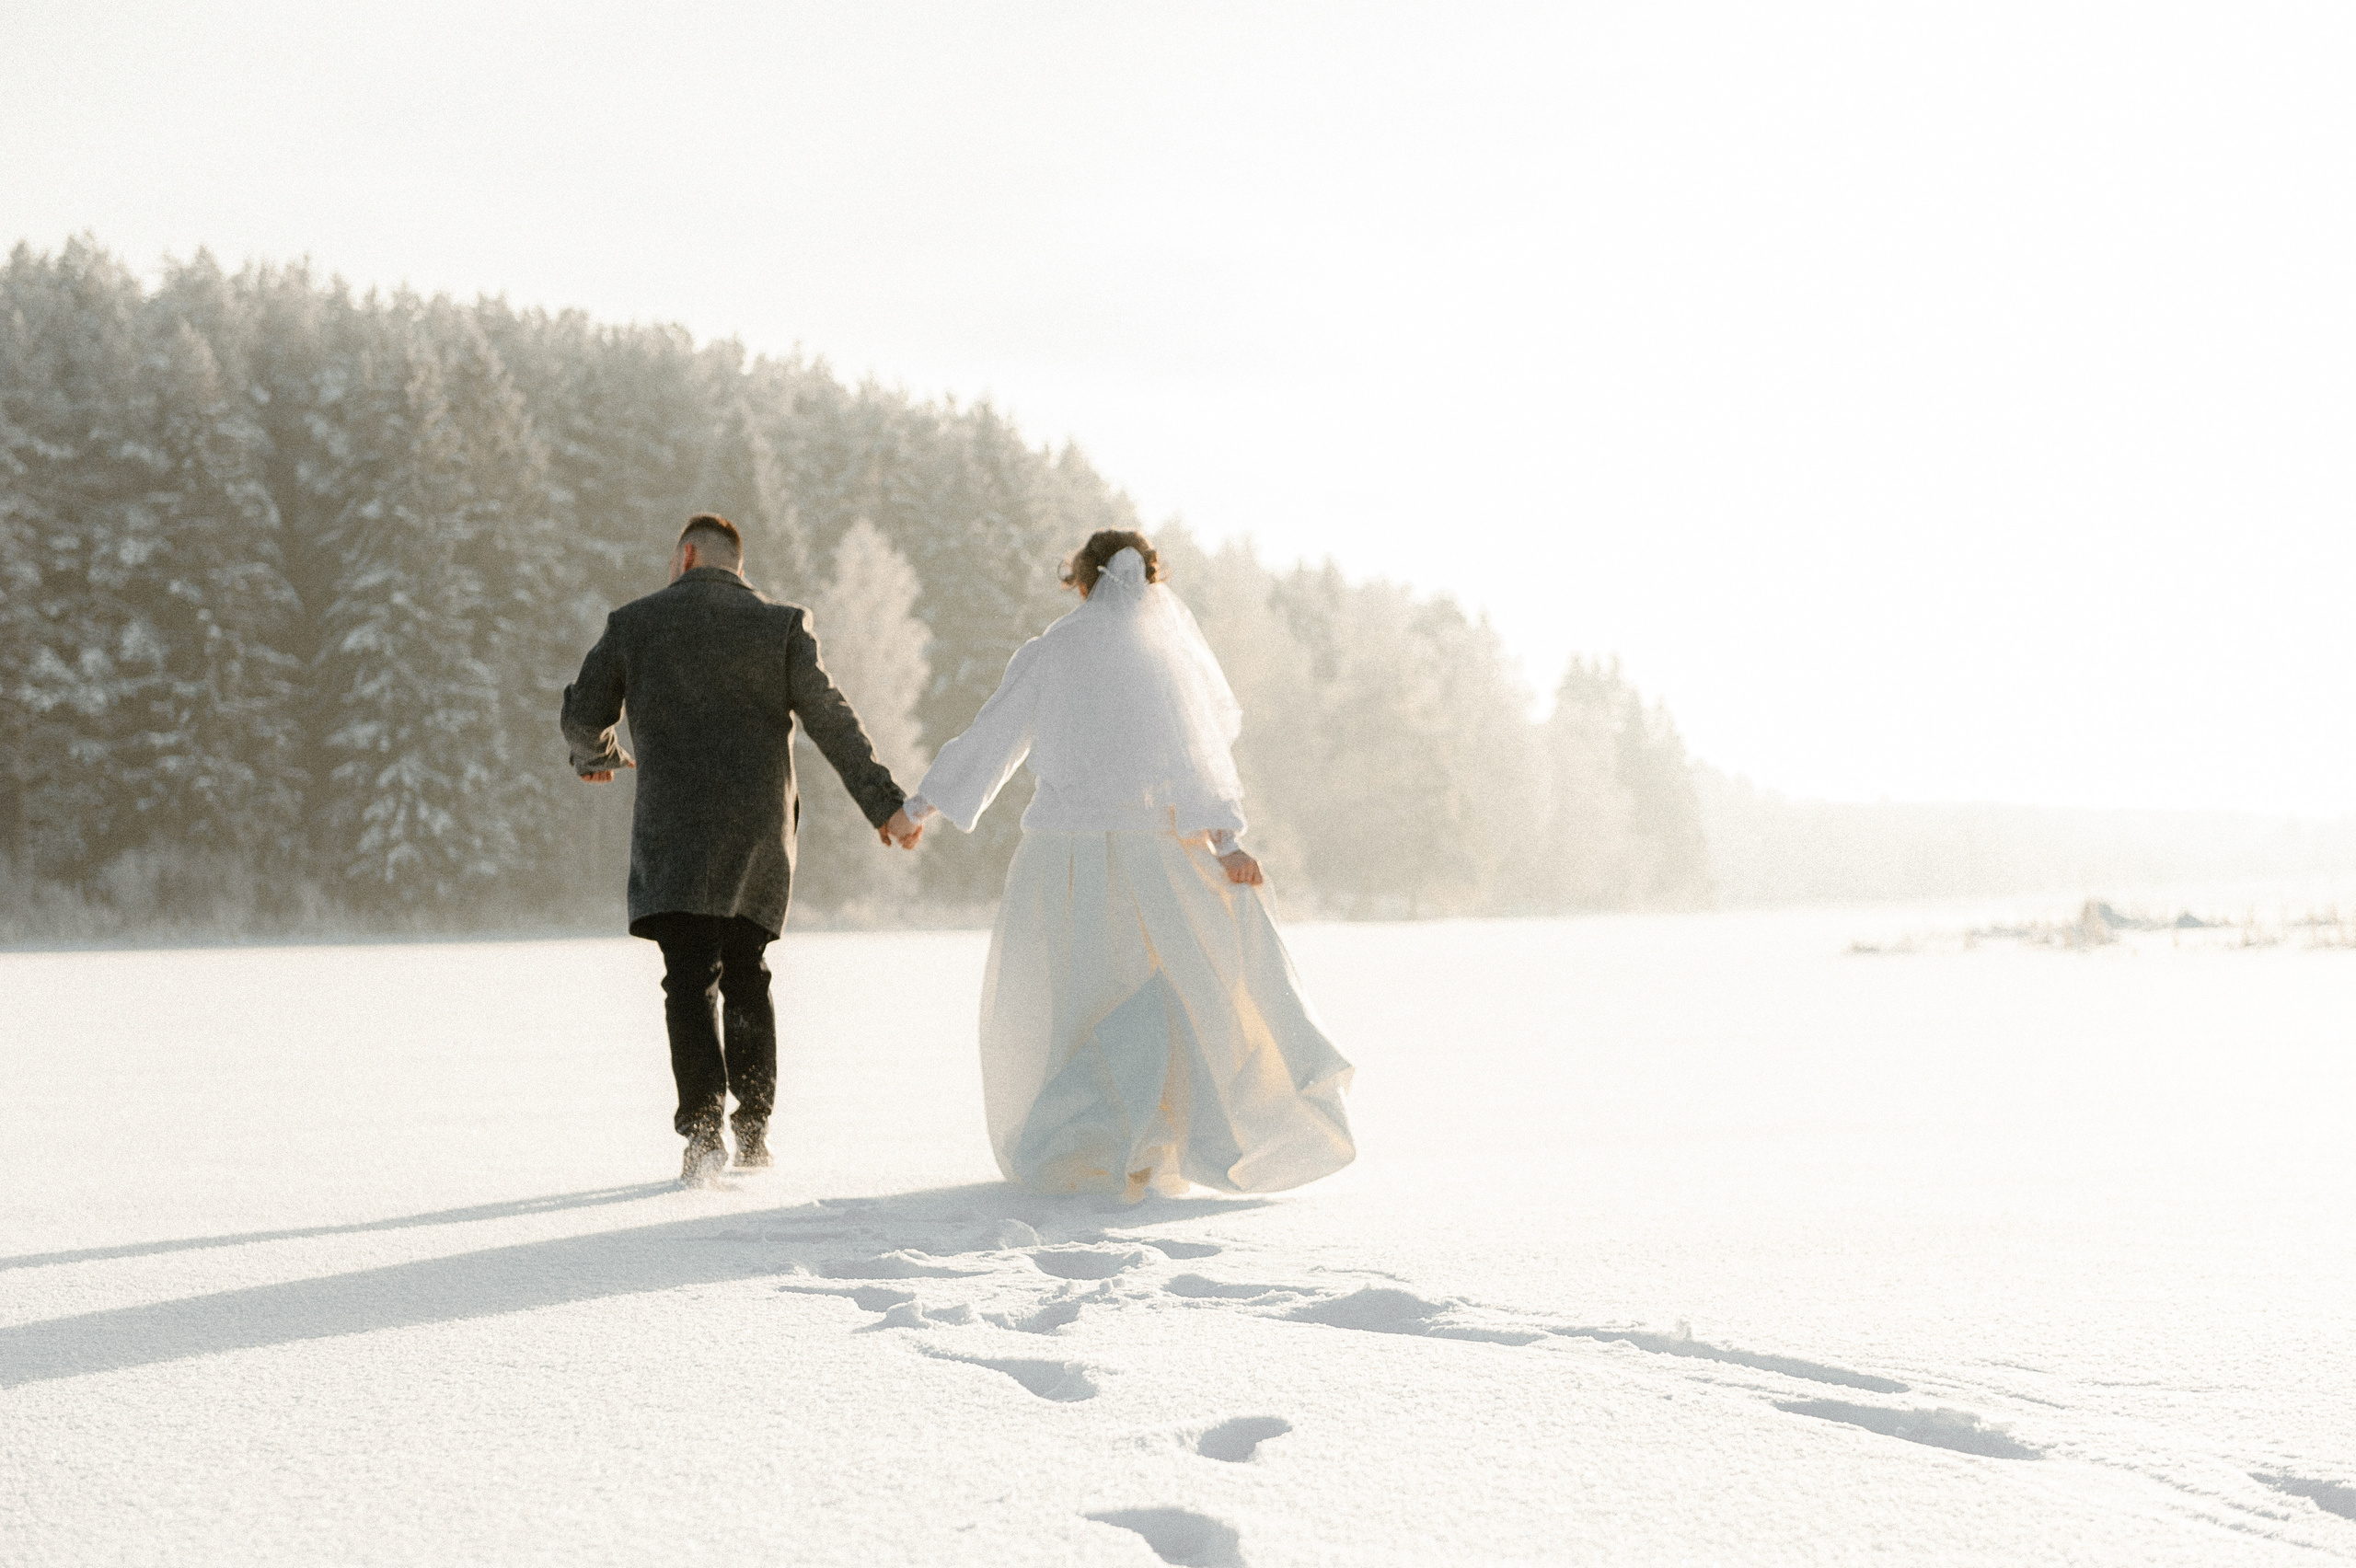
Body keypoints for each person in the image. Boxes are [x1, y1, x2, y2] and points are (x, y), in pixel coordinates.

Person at [884, 529, 1355, 1202]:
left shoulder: (1053, 651)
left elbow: (995, 735)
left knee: (1077, 1000)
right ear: (1150, 583)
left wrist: (921, 806)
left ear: (1083, 579)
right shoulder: (1167, 662)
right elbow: (1196, 760)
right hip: (1156, 857)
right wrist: (1225, 844)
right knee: (1164, 989)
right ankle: (1154, 1136)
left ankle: (1087, 1143)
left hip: (1065, 859)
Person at [561, 513, 920, 1186]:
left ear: (688, 556)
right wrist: (885, 805)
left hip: (676, 832)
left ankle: (702, 1134)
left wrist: (598, 757)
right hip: (758, 833)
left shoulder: (635, 623)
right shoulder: (781, 626)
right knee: (747, 970)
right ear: (738, 565)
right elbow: (833, 720)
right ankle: (753, 1132)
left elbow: (585, 714)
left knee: (689, 980)